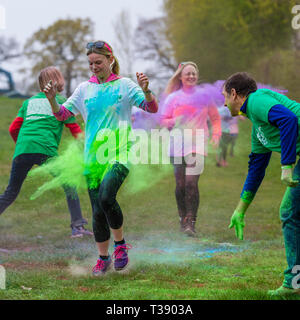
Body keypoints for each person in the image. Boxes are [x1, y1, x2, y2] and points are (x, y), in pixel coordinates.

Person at [43, 40, 158, 275]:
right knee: (97, 211)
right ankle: (103, 258)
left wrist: (146, 90)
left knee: (107, 196)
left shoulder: (125, 85)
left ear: (110, 60)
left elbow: (151, 108)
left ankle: (120, 246)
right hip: (93, 158)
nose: (94, 66)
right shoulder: (84, 88)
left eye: (98, 62)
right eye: (90, 63)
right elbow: (62, 114)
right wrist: (52, 99)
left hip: (121, 152)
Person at [223, 72, 300, 297]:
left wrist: (286, 165)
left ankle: (293, 284)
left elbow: (288, 119)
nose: (224, 103)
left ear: (234, 93)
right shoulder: (258, 127)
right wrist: (240, 211)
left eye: (225, 96)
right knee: (291, 211)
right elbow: (256, 170)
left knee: (289, 211)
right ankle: (294, 282)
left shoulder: (256, 101)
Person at [0, 66, 92, 238]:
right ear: (58, 80)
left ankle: (77, 227)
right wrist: (86, 147)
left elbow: (13, 128)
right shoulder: (62, 102)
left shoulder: (29, 102)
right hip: (45, 150)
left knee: (10, 192)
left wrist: (22, 147)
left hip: (23, 150)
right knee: (69, 184)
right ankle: (77, 228)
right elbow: (74, 129)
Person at [161, 62, 221, 236]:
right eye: (187, 74)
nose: (191, 76)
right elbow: (163, 120)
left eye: (194, 73)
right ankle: (182, 218)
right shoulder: (173, 98)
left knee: (190, 183)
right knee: (180, 186)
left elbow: (215, 119)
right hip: (177, 145)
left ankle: (191, 222)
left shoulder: (204, 97)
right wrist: (173, 122)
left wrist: (216, 136)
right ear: (180, 77)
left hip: (197, 144)